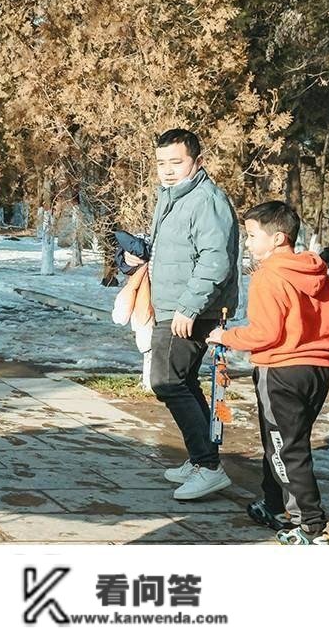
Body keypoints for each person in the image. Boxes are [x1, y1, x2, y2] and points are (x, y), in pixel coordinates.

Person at [207, 200, 329, 545]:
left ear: (278, 238)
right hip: (318, 373)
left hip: (280, 371)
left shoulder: (269, 276)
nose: (247, 243)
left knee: (285, 448)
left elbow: (265, 333)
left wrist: (225, 336)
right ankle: (274, 504)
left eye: (251, 236)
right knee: (281, 442)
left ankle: (310, 524)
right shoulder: (317, 274)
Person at [129, 128, 240, 502]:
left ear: (198, 162)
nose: (168, 170)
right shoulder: (172, 197)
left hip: (190, 309)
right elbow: (180, 251)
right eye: (161, 163)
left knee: (166, 381)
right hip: (173, 304)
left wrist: (189, 307)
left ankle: (209, 467)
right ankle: (199, 459)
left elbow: (215, 261)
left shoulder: (206, 200)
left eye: (176, 162)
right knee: (183, 381)